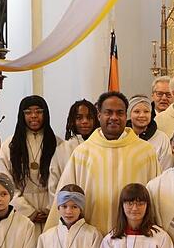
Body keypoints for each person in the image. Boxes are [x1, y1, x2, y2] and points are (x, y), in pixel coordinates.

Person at [47, 91, 161, 235]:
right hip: (91, 237)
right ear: (99, 115)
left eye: (119, 113)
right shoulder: (83, 152)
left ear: (126, 116)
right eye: (108, 112)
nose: (114, 117)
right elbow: (65, 196)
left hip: (134, 237)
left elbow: (155, 195)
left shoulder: (145, 151)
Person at [0, 95, 62, 228]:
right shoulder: (10, 145)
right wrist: (27, 211)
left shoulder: (57, 144)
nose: (33, 116)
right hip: (20, 210)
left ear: (46, 114)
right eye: (28, 112)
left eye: (39, 111)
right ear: (22, 116)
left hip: (50, 208)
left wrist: (51, 209)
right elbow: (5, 182)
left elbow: (62, 179)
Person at [48, 99, 98, 200]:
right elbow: (54, 185)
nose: (85, 121)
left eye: (89, 117)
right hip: (69, 208)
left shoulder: (102, 147)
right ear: (72, 121)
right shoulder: (62, 149)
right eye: (79, 118)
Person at [127, 94, 174, 171]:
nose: (142, 115)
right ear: (130, 114)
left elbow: (166, 168)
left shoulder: (162, 138)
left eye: (146, 111)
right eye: (137, 111)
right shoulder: (122, 136)